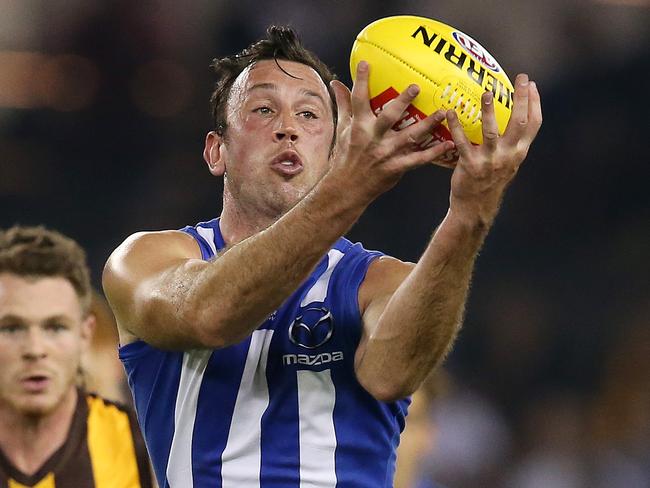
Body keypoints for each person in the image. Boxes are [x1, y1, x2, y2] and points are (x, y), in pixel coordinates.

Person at [103, 25, 542, 487]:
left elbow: (393, 375)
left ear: (336, 145)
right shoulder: (145, 258)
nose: (288, 127)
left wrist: (470, 214)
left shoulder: (381, 281)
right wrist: (347, 189)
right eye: (263, 109)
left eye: (310, 115)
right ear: (217, 152)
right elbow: (208, 314)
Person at [0, 226, 153, 488]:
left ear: (85, 334)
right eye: (12, 328)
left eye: (55, 327)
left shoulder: (144, 446)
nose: (35, 349)